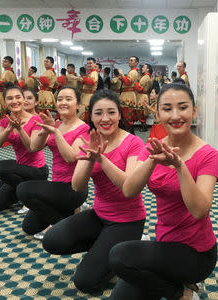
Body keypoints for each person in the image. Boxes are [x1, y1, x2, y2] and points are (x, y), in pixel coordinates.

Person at [109, 83, 218, 300]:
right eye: (167, 109)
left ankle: (184, 293)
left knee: (120, 256)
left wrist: (180, 165)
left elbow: (199, 210)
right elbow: (129, 190)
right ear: (157, 114)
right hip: (163, 244)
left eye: (183, 107)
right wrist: (152, 160)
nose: (176, 115)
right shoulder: (153, 147)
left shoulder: (208, 154)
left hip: (196, 253)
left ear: (194, 111)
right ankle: (178, 285)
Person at [42, 89, 146, 292]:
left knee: (85, 282)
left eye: (111, 113)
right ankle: (108, 249)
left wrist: (102, 159)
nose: (105, 119)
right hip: (99, 216)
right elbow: (77, 186)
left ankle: (125, 248)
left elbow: (128, 188)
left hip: (127, 221)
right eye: (98, 113)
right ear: (91, 116)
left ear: (119, 114)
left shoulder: (133, 143)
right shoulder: (88, 140)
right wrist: (90, 159)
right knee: (52, 240)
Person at [16, 86, 89, 239]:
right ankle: (71, 214)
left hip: (73, 189)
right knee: (29, 227)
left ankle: (60, 223)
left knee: (24, 189)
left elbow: (71, 157)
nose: (63, 102)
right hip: (56, 186)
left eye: (68, 99)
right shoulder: (56, 124)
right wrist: (45, 130)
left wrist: (55, 133)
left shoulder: (84, 128)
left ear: (78, 105)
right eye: (60, 99)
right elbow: (33, 147)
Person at [0, 85, 48, 211]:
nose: (14, 101)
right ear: (5, 102)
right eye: (10, 98)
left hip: (36, 170)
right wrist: (9, 129)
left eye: (18, 97)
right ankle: (26, 191)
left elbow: (31, 148)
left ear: (23, 99)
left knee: (1, 169)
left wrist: (20, 129)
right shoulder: (5, 121)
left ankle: (29, 194)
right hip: (20, 168)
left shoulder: (35, 119)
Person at [119, 56, 140, 131]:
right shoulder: (132, 71)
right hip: (127, 94)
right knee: (126, 116)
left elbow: (128, 82)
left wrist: (121, 74)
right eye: (129, 60)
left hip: (128, 95)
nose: (129, 62)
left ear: (136, 63)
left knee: (126, 116)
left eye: (131, 60)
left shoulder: (133, 72)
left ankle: (129, 133)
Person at [78, 57, 98, 123]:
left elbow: (91, 82)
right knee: (83, 113)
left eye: (90, 63)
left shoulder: (94, 73)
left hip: (89, 96)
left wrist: (82, 79)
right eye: (87, 63)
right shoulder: (90, 73)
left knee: (85, 114)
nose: (88, 65)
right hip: (85, 95)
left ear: (95, 64)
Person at [135, 63, 153, 132]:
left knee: (141, 112)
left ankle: (144, 126)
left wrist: (137, 81)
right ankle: (143, 125)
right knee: (142, 111)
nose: (142, 68)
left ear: (147, 69)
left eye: (144, 67)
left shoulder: (145, 77)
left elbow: (139, 88)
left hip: (142, 96)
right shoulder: (148, 77)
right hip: (144, 95)